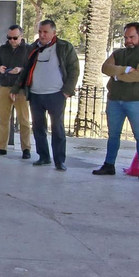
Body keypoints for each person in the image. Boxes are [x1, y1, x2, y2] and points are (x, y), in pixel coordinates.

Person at [95, 22, 139, 181]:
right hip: (115, 99)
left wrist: (116, 75)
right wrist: (125, 70)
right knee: (113, 135)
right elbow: (105, 68)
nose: (128, 40)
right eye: (126, 37)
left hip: (136, 101)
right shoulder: (118, 53)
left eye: (132, 37)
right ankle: (109, 165)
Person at [24, 18, 80, 171]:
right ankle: (43, 156)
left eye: (45, 32)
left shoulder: (64, 47)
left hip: (56, 94)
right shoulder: (33, 48)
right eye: (40, 32)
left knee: (58, 128)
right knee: (38, 127)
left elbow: (74, 69)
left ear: (54, 33)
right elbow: (26, 69)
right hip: (35, 94)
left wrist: (67, 91)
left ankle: (59, 160)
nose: (42, 35)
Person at [0, 24, 31, 158]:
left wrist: (21, 70)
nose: (11, 40)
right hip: (4, 87)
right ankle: (2, 147)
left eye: (15, 38)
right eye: (9, 38)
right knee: (4, 120)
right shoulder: (2, 49)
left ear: (21, 36)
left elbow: (32, 68)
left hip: (21, 89)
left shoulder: (28, 50)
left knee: (23, 120)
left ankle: (26, 149)